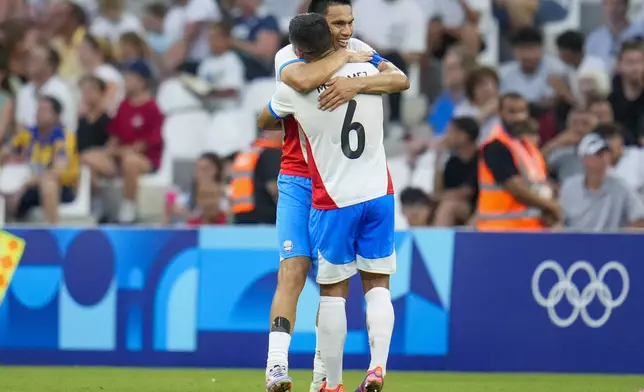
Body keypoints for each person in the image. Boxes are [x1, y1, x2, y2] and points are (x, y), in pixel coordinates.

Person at [264, 1, 410, 391]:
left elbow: (400, 80)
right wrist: (351, 63)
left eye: (350, 22)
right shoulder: (292, 51)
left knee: (332, 287)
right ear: (316, 25)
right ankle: (276, 366)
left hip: (335, 183)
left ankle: (324, 380)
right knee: (294, 271)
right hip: (302, 176)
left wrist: (355, 80)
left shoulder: (358, 50)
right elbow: (300, 81)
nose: (346, 30)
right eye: (337, 24)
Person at [476, 93, 560, 230]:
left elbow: (539, 184)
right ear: (500, 113)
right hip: (500, 230)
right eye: (512, 112)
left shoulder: (528, 148)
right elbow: (514, 188)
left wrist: (549, 204)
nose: (518, 117)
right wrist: (551, 206)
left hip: (529, 229)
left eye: (522, 111)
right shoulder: (495, 146)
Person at [5, 96, 78, 224]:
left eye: (44, 110)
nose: (38, 113)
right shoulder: (27, 134)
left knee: (48, 183)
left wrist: (27, 184)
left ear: (56, 116)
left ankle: (52, 231)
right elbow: (6, 151)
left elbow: (58, 171)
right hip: (27, 186)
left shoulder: (64, 138)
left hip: (61, 187)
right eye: (38, 109)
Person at [559, 131, 644, 231]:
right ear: (584, 158)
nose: (604, 157)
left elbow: (639, 220)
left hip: (610, 244)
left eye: (606, 153)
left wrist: (623, 239)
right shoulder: (570, 187)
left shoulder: (621, 186)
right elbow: (560, 220)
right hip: (576, 243)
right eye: (598, 154)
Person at [433, 117, 479, 226]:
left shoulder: (481, 159)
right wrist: (439, 161)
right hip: (458, 205)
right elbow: (438, 191)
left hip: (478, 207)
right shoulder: (452, 162)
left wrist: (441, 196)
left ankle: (438, 242)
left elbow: (466, 192)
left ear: (463, 136)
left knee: (449, 206)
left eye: (450, 132)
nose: (446, 136)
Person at [230, 131, 282, 224]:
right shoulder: (272, 153)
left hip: (242, 215)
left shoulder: (249, 152)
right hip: (265, 218)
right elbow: (274, 187)